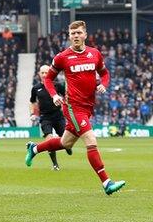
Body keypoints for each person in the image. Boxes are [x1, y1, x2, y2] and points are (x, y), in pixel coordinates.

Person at [25, 20, 126, 195]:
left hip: (88, 107)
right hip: (73, 107)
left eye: (79, 33)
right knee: (91, 141)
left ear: (85, 35)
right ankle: (106, 183)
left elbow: (105, 73)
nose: (76, 36)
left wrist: (104, 84)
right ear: (69, 36)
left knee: (65, 143)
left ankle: (34, 148)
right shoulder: (62, 57)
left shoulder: (94, 54)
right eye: (73, 34)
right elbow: (48, 78)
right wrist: (55, 95)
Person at [29, 65, 72, 170]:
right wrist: (33, 113)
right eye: (42, 73)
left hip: (58, 116)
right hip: (45, 117)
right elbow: (32, 102)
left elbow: (67, 97)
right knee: (49, 140)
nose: (44, 75)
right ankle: (55, 165)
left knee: (65, 140)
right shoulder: (35, 88)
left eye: (46, 72)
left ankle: (67, 146)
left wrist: (65, 106)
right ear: (39, 74)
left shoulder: (58, 86)